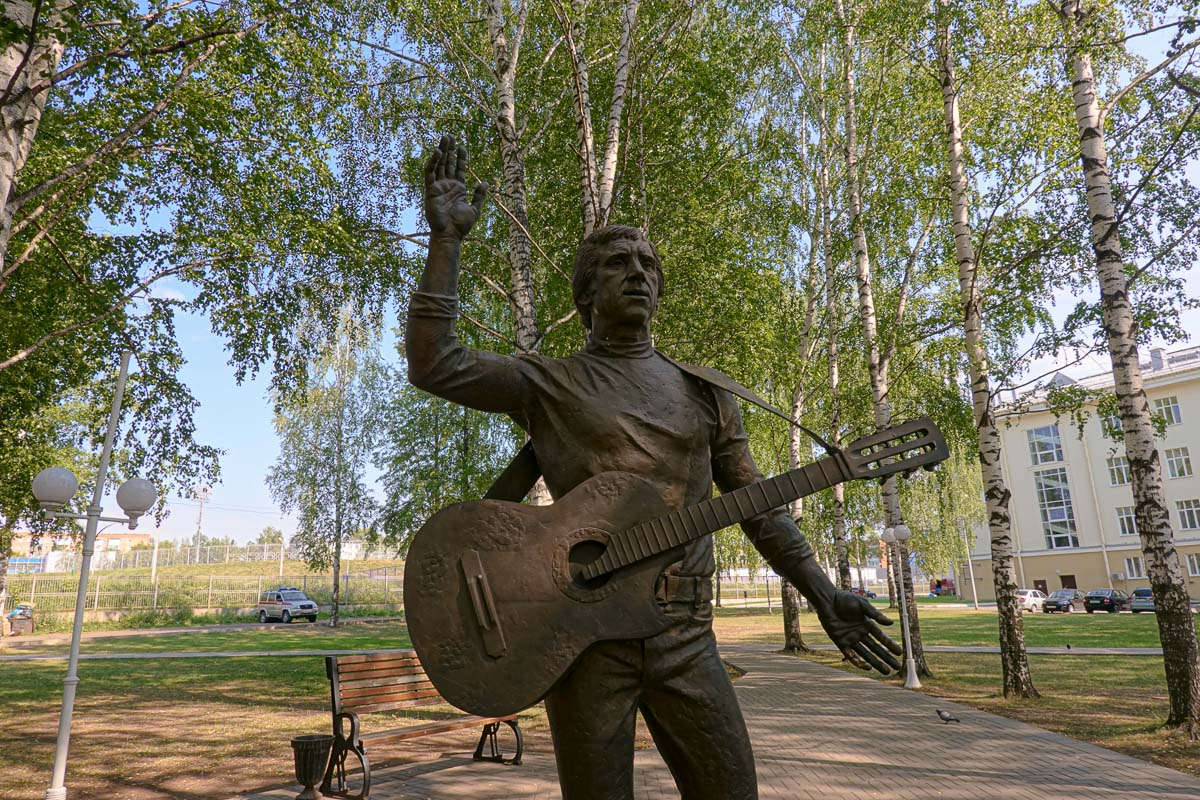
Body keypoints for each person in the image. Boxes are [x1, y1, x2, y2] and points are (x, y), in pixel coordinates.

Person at [406, 135, 903, 800]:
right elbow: (434, 363)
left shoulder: (705, 392)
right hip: (582, 647)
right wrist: (446, 241)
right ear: (585, 295)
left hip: (686, 640)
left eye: (646, 263)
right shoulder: (550, 384)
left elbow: (756, 505)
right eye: (617, 263)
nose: (638, 271)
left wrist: (822, 593)